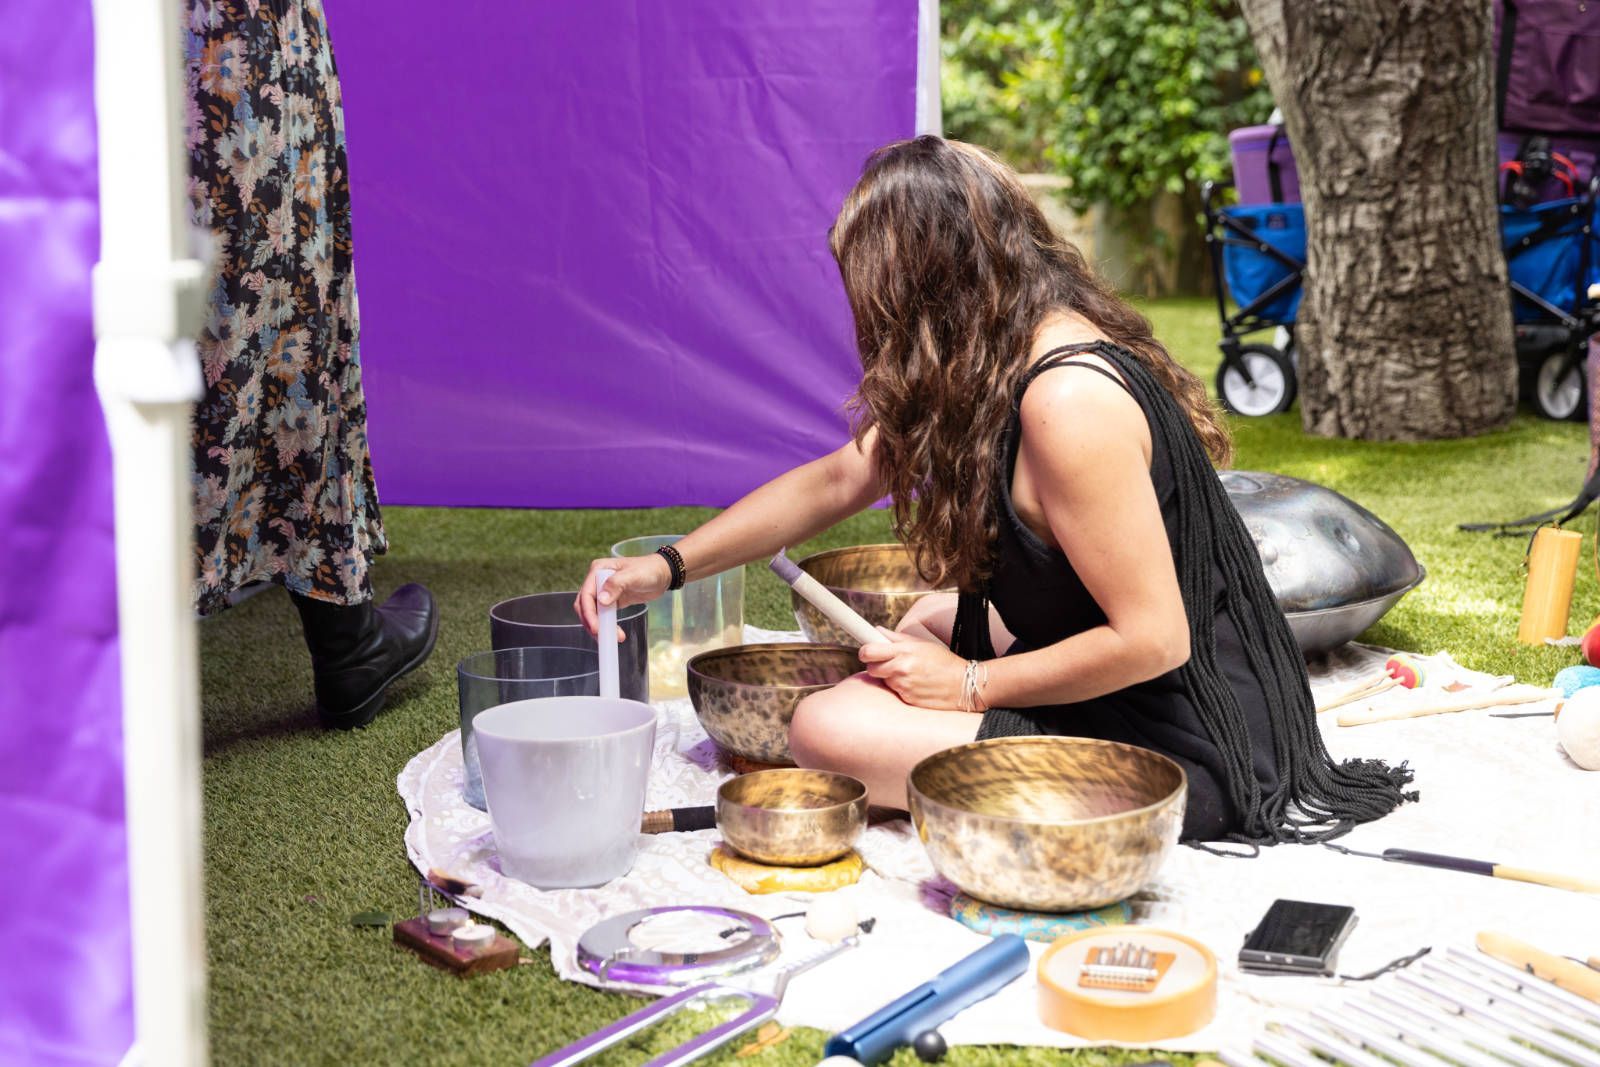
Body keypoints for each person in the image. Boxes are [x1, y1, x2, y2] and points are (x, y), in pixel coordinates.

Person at [578, 136, 1413, 843]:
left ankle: (999, 740)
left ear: (923, 289)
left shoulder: (1066, 399)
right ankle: (971, 719)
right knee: (935, 616)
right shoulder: (997, 354)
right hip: (1133, 691)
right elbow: (839, 476)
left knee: (822, 727)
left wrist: (971, 687)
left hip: (1192, 741)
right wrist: (666, 566)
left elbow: (1157, 638)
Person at [186, 0, 437, 728]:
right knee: (281, 308)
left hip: (85, 60)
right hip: (229, 54)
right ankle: (345, 636)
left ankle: (79, 668)